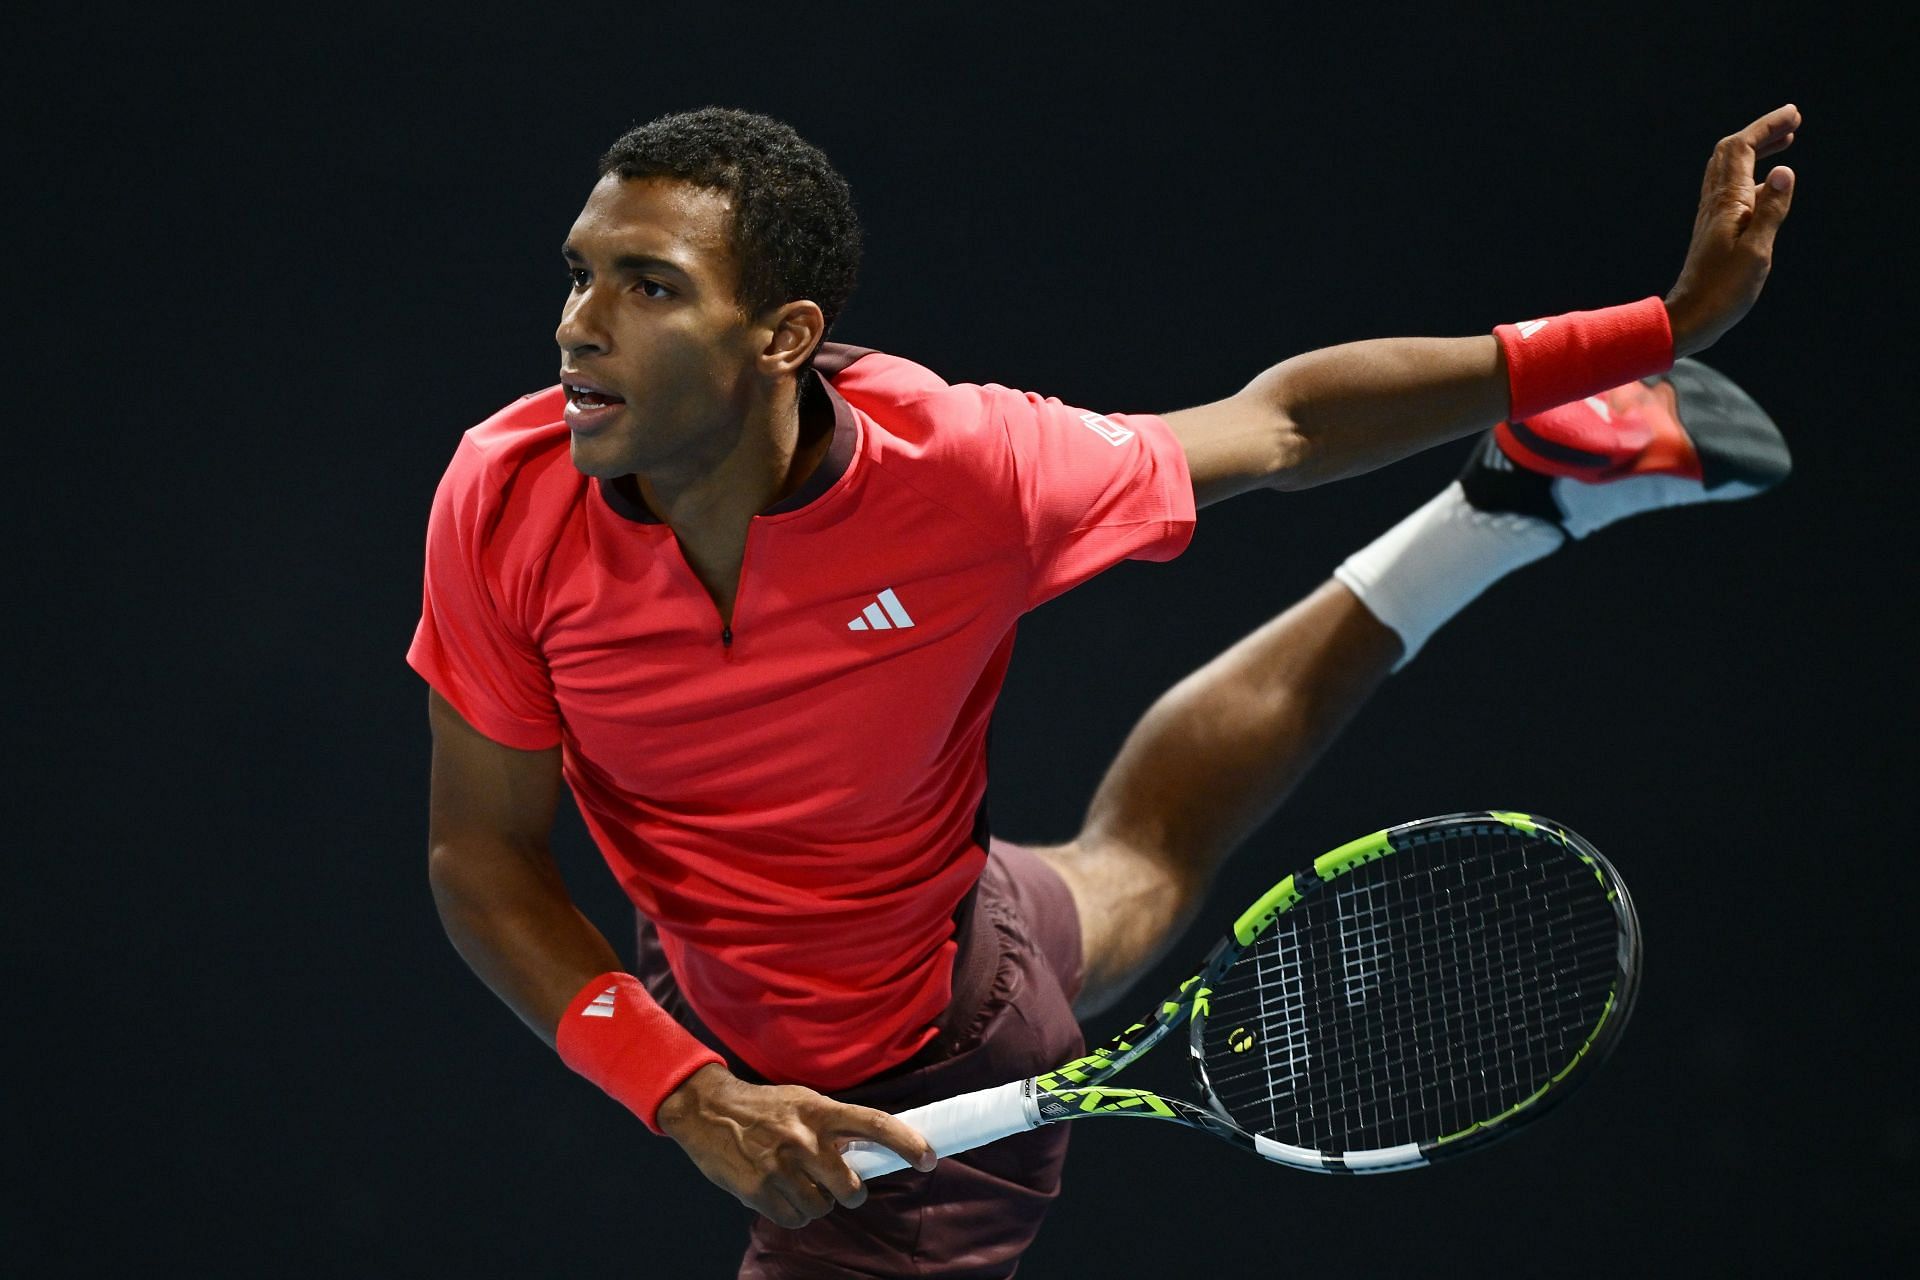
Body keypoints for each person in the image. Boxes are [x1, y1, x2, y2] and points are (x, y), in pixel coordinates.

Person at [409, 103, 1798, 1276]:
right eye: (580, 274)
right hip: (753, 971)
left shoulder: (968, 475)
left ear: (782, 338)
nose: (578, 327)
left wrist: (1658, 326)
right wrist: (685, 1086)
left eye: (648, 287)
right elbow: (482, 853)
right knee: (1135, 867)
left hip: (934, 1056)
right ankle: (1508, 508)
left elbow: (1285, 420)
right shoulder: (503, 496)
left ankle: (1525, 481)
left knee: (1120, 888)